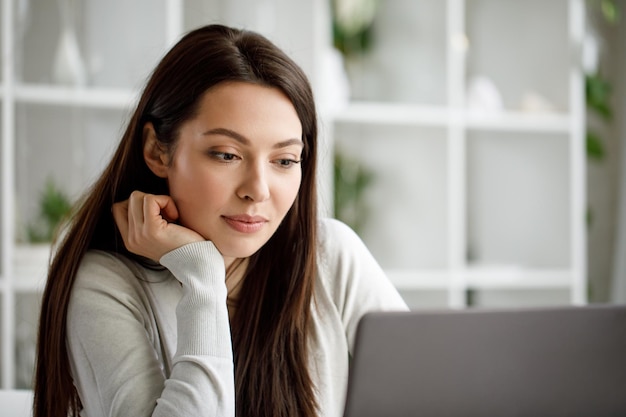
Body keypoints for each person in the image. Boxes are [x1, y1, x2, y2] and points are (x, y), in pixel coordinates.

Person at [33, 24, 407, 417]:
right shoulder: (108, 285)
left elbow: (439, 394)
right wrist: (201, 275)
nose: (258, 190)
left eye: (284, 160)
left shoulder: (332, 257)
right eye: (227, 154)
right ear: (158, 151)